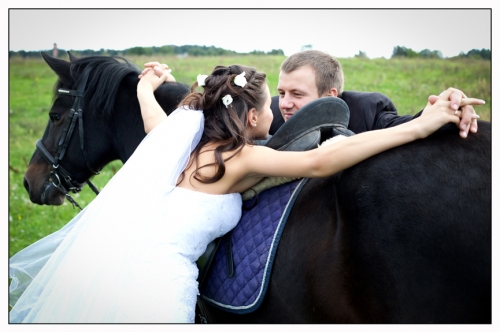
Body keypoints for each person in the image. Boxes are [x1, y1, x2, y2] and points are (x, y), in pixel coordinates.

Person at [9, 62, 484, 323]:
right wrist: (420, 126)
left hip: (129, 275)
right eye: (272, 102)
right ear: (252, 118)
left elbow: (158, 128)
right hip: (162, 290)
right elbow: (318, 161)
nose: (279, 108)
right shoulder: (240, 158)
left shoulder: (186, 147)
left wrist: (144, 91)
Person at [271, 50, 480, 138]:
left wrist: (449, 106)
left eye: (297, 94)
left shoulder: (366, 112)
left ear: (330, 96)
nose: (285, 104)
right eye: (282, 93)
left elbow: (407, 125)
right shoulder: (270, 114)